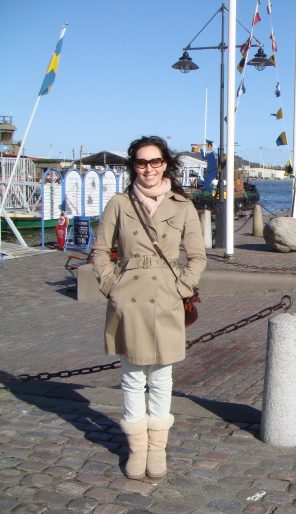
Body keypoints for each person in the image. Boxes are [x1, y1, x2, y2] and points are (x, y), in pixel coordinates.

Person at [91, 136, 207, 480]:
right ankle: (137, 449)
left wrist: (181, 287)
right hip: (129, 299)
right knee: (131, 376)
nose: (149, 169)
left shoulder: (182, 206)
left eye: (155, 162)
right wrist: (112, 288)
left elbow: (197, 256)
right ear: (134, 167)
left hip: (167, 298)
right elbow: (100, 253)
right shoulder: (119, 204)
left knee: (160, 377)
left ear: (165, 164)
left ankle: (157, 450)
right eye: (141, 163)